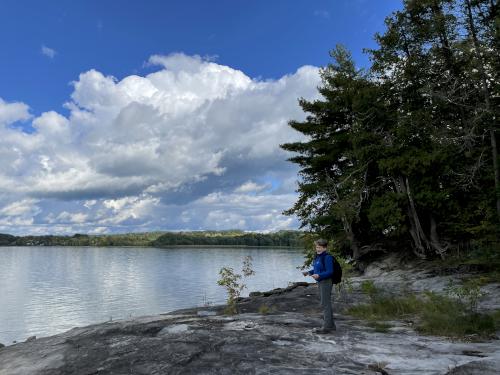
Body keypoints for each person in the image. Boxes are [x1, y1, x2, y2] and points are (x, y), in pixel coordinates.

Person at [302, 238, 336, 334]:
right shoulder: (317, 257)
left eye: (320, 247)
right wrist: (309, 272)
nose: (318, 249)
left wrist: (319, 275)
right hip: (320, 282)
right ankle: (331, 326)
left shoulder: (327, 257)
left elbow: (330, 272)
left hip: (326, 282)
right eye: (317, 247)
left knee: (325, 304)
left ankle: (326, 327)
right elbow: (317, 269)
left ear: (325, 248)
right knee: (325, 303)